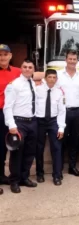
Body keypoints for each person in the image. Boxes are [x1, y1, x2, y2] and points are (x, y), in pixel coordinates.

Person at [3, 60, 38, 193]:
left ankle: (24, 177)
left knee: (30, 152)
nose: (28, 69)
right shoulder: (14, 85)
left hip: (32, 122)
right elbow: (7, 107)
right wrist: (11, 125)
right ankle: (14, 181)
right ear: (21, 69)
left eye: (30, 67)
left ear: (33, 69)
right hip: (19, 123)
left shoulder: (33, 83)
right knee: (17, 153)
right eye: (25, 67)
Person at [57, 49, 79, 177]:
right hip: (63, 112)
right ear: (66, 60)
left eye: (74, 59)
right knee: (61, 141)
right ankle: (58, 169)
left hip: (77, 111)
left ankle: (72, 167)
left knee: (75, 141)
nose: (72, 61)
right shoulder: (58, 75)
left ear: (77, 61)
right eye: (70, 59)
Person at [35, 69, 66, 186]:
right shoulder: (37, 90)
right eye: (50, 77)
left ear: (56, 79)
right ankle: (39, 173)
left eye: (54, 77)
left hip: (53, 121)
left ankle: (57, 175)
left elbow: (62, 111)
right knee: (39, 148)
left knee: (57, 148)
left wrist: (61, 128)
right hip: (40, 121)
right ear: (45, 78)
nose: (52, 79)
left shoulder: (59, 92)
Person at [0, 44, 21, 189]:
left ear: (10, 56)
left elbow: (34, 75)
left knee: (5, 146)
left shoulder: (17, 71)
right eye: (0, 54)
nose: (2, 57)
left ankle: (1, 176)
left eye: (5, 54)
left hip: (8, 114)